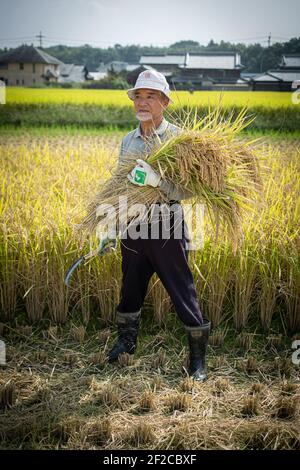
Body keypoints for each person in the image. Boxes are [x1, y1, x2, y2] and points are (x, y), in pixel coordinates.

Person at [106, 70, 210, 381]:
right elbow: (117, 185)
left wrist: (158, 182)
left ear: (164, 102)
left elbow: (191, 190)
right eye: (139, 96)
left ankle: (197, 359)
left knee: (182, 290)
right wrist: (110, 225)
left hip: (167, 225)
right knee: (130, 288)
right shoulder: (129, 139)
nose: (143, 102)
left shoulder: (179, 140)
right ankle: (126, 343)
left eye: (151, 96)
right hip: (133, 224)